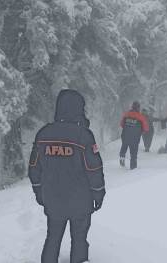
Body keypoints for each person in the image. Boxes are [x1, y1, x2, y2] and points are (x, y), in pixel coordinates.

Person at [28, 89, 105, 263]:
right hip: (81, 201)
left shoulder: (43, 134)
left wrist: (39, 192)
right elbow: (94, 169)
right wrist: (99, 194)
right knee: (79, 240)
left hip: (53, 199)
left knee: (52, 238)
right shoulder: (84, 136)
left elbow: (34, 168)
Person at [120, 101, 149, 169]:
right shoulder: (141, 117)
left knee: (124, 146)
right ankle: (133, 168)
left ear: (132, 107)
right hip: (135, 138)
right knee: (133, 153)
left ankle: (122, 157)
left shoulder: (126, 114)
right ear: (138, 108)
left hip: (125, 136)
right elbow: (146, 128)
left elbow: (121, 124)